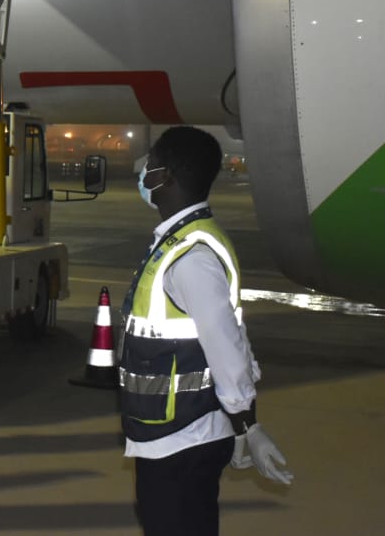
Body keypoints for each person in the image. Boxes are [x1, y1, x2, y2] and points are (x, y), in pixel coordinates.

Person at [122, 126, 293, 535]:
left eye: (151, 163)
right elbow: (231, 329)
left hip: (181, 439)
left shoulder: (191, 258)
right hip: (180, 432)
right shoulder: (181, 242)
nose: (143, 171)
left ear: (167, 177)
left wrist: (247, 426)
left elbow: (226, 345)